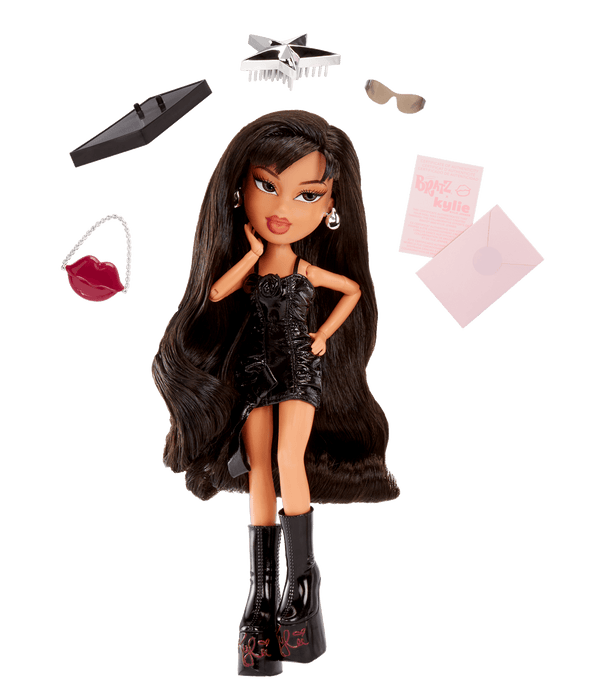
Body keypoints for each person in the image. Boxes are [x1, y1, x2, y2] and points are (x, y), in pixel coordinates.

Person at [151, 109, 400, 677]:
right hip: (255, 371)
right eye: (268, 186)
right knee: (259, 465)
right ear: (240, 188)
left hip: (300, 371)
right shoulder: (254, 263)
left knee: (289, 458)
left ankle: (302, 587)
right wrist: (246, 255)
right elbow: (217, 292)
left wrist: (323, 336)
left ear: (332, 207)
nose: (283, 209)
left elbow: (352, 290)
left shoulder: (307, 270)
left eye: (307, 195)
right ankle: (261, 595)